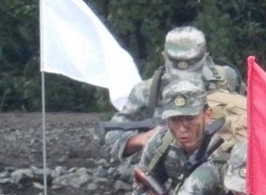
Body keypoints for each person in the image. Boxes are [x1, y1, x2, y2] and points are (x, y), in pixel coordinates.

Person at [102, 26, 243, 164]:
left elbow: (247, 113)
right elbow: (112, 138)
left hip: (224, 163)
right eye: (176, 63)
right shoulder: (147, 91)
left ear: (206, 56)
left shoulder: (225, 78)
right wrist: (143, 139)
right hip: (166, 170)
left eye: (191, 63)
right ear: (163, 56)